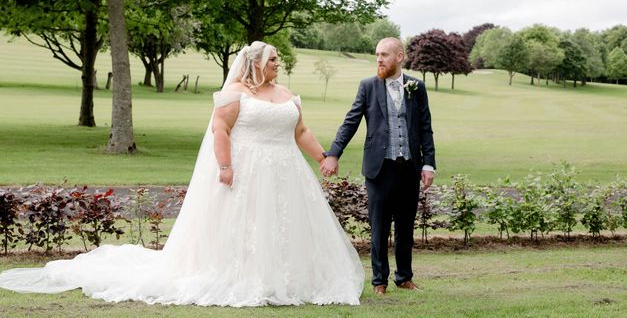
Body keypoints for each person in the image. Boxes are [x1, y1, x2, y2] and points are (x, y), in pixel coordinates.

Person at [0, 41, 364, 306]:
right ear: (255, 63)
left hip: (287, 171)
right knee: (247, 223)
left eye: (277, 60)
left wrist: (323, 157)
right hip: (247, 170)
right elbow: (220, 130)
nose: (277, 64)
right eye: (273, 60)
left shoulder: (285, 93)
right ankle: (244, 277)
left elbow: (300, 131)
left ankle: (289, 278)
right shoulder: (234, 93)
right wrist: (224, 166)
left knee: (285, 223)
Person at [321, 37, 435, 296]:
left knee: (406, 227)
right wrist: (333, 154)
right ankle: (379, 282)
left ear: (399, 57)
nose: (379, 59)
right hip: (379, 169)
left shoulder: (417, 87)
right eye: (377, 55)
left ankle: (404, 277)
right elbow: (350, 122)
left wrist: (428, 164)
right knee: (379, 227)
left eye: (384, 54)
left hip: (409, 168)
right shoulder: (368, 86)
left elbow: (425, 129)